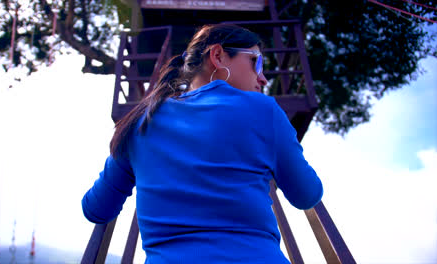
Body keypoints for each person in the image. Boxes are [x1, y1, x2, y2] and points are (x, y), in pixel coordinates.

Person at [82, 24, 323, 263]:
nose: (263, 77)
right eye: (256, 62)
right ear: (217, 56)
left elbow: (96, 209)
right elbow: (307, 194)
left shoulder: (141, 121)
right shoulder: (266, 111)